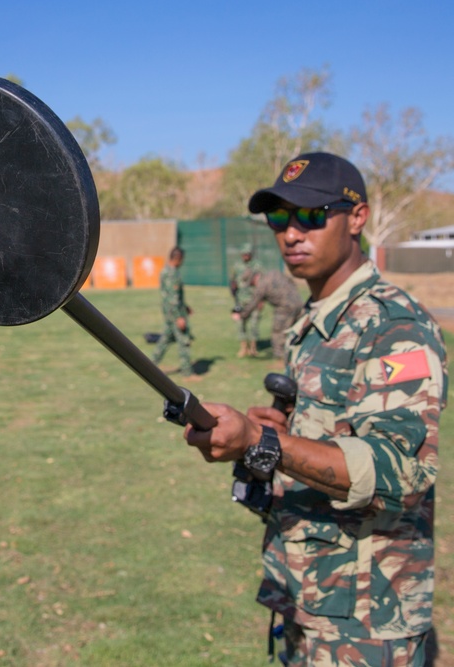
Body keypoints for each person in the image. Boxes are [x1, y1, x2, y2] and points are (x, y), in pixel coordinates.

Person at [184, 152, 447, 666]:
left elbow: (403, 470)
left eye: (310, 215)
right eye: (279, 218)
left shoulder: (394, 326)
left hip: (368, 623)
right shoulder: (317, 318)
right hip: (309, 597)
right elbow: (333, 429)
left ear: (357, 218)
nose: (291, 233)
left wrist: (263, 443)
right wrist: (280, 428)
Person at [233, 269, 304, 362]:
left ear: (254, 278)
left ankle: (280, 358)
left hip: (285, 307)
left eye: (251, 283)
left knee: (278, 332)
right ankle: (299, 353)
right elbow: (291, 281)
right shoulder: (273, 273)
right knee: (298, 330)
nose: (252, 286)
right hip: (299, 302)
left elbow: (253, 304)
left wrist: (241, 316)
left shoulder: (261, 285)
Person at [151, 246, 196, 377]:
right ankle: (187, 373)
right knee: (184, 340)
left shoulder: (165, 271)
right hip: (174, 314)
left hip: (169, 312)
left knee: (165, 339)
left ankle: (151, 364)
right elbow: (173, 298)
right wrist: (179, 317)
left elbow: (172, 296)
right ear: (178, 258)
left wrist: (185, 306)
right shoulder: (172, 273)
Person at [229, 243, 260, 358]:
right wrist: (234, 295)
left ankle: (253, 348)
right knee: (240, 325)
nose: (245, 256)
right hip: (240, 301)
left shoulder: (257, 266)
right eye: (243, 254)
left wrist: (261, 300)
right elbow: (232, 282)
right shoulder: (237, 266)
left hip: (254, 300)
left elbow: (262, 283)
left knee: (254, 325)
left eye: (247, 253)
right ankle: (243, 348)